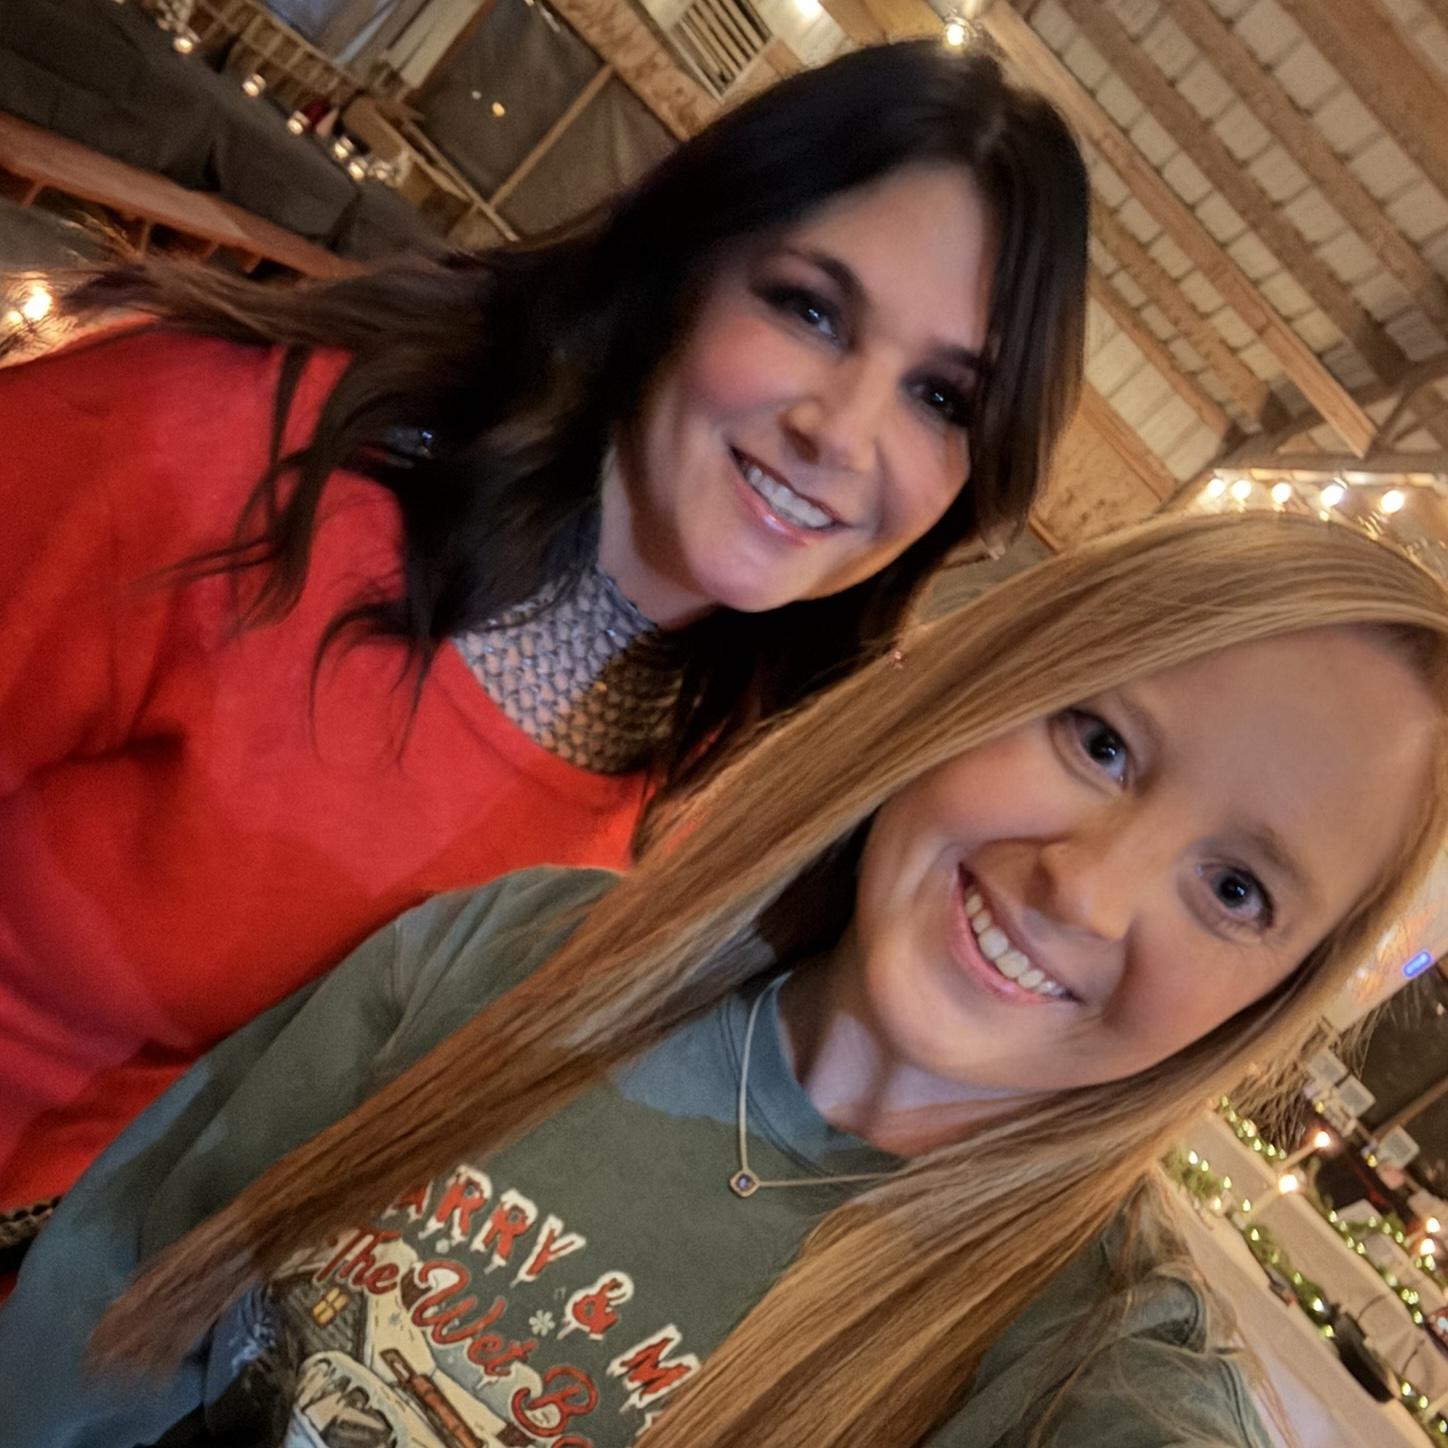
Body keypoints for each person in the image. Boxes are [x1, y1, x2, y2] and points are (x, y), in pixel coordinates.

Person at [3, 511, 1444, 1447]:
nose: (1089, 887)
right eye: (1101, 742)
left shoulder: (1091, 1369)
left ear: (1270, 994)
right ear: (980, 686)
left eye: (1235, 890)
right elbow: (118, 1293)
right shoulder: (533, 947)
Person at [0, 40, 1090, 1240]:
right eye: (810, 309)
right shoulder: (219, 462)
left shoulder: (731, 808)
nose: (841, 432)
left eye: (942, 398)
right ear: (685, 266)